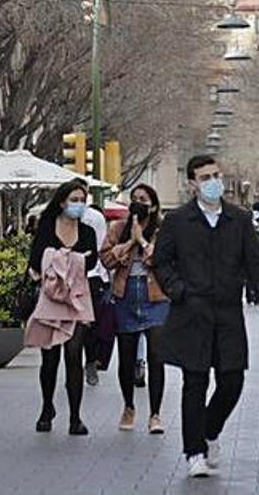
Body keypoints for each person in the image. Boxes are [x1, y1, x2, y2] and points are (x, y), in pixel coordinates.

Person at [152, 155, 259, 478]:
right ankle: (194, 451)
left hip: (227, 313)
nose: (213, 181)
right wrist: (178, 289)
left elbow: (256, 263)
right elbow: (161, 261)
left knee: (232, 380)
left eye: (216, 175)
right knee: (194, 382)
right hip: (192, 312)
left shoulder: (237, 219)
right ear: (192, 184)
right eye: (205, 176)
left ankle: (209, 432)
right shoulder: (178, 221)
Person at [27, 178, 98, 436]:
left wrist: (61, 259)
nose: (78, 205)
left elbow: (92, 263)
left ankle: (75, 417)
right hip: (51, 299)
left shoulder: (88, 232)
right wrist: (71, 259)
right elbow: (36, 259)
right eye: (74, 200)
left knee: (74, 354)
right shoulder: (47, 227)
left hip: (78, 300)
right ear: (62, 202)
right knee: (50, 358)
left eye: (82, 200)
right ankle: (47, 407)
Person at [100, 184, 169, 435]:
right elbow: (106, 259)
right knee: (127, 357)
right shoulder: (117, 228)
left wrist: (142, 239)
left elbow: (162, 259)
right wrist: (130, 242)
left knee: (157, 356)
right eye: (134, 199)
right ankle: (129, 406)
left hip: (156, 296)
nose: (138, 203)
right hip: (125, 294)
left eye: (144, 199)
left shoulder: (163, 229)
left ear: (153, 205)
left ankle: (155, 414)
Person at [80, 203, 112, 387]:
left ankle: (90, 360)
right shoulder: (58, 218)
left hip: (92, 276)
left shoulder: (94, 217)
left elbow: (100, 248)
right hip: (71, 277)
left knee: (88, 325)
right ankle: (84, 362)